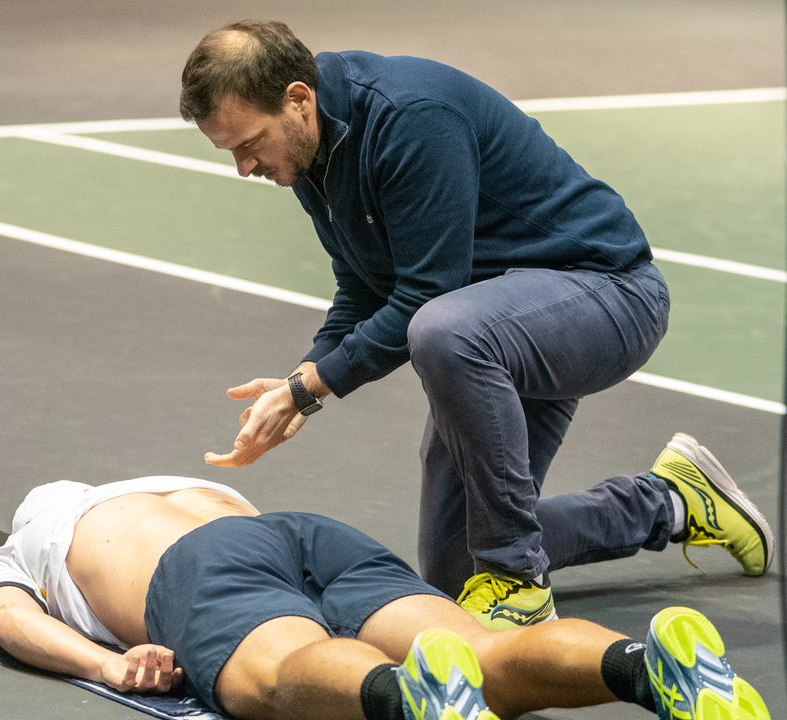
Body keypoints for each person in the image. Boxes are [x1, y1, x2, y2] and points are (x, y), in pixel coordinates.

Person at [178, 20, 774, 626]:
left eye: (248, 143)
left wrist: (313, 391)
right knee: (456, 570)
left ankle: (518, 577)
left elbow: (423, 297)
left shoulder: (409, 117)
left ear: (298, 99)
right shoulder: (313, 150)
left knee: (443, 331)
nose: (244, 166)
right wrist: (295, 383)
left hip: (604, 295)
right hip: (496, 325)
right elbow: (363, 283)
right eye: (230, 151)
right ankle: (674, 502)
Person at [0, 477, 769, 720]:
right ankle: (646, 667)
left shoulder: (30, 545)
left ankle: (408, 696)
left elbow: (6, 620)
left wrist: (110, 670)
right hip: (306, 529)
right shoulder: (172, 484)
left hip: (202, 569)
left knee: (275, 677)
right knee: (483, 648)